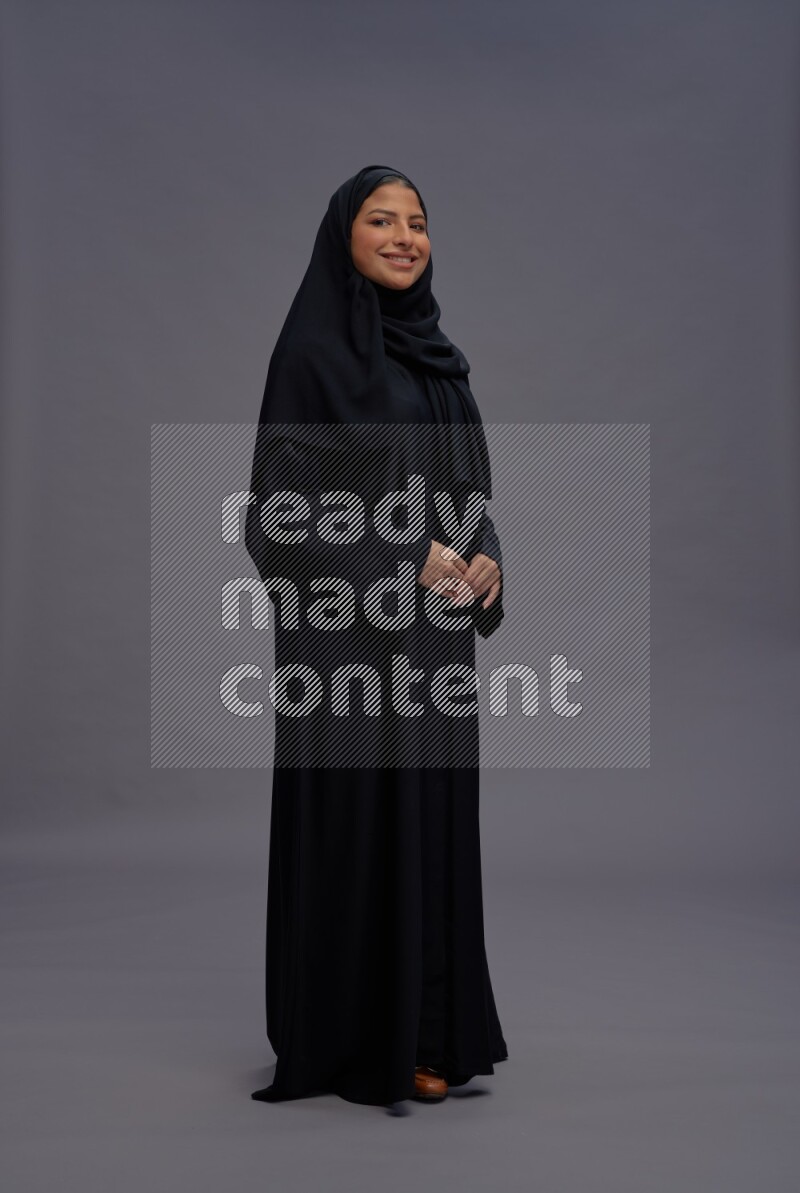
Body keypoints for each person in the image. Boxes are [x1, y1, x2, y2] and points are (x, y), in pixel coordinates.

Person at [244, 164, 508, 1107]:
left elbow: (470, 502)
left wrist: (483, 565)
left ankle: (431, 1033)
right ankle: (359, 1042)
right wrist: (406, 557)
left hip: (435, 652)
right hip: (346, 655)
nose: (404, 237)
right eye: (382, 220)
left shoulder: (441, 361)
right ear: (342, 239)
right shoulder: (311, 356)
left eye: (419, 223)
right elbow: (275, 519)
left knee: (431, 832)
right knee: (359, 832)